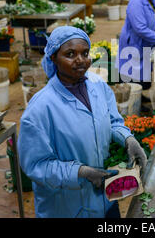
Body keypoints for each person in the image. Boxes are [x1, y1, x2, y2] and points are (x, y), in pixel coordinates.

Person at [18, 26, 147, 218]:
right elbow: (36, 165)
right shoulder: (40, 109)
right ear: (53, 57)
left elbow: (113, 121)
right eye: (70, 54)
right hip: (66, 208)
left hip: (104, 200)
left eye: (85, 53)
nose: (80, 60)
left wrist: (128, 139)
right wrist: (80, 172)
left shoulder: (98, 86)